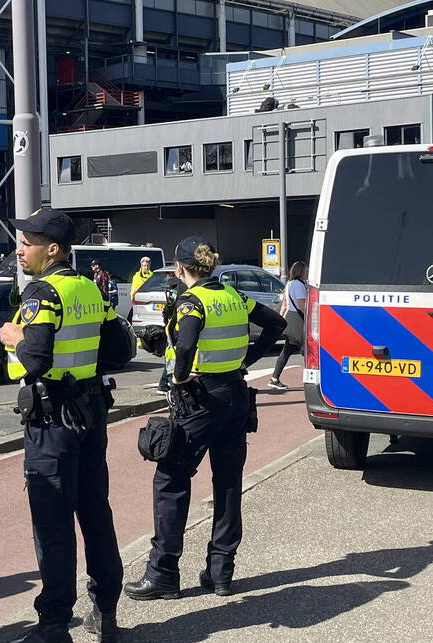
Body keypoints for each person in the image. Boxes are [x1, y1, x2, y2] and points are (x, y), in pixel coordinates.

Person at [0, 208, 133, 643]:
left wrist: (14, 337)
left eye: (28, 242)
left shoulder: (44, 292)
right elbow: (118, 351)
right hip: (90, 414)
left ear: (51, 249)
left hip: (52, 420)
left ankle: (54, 625)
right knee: (96, 513)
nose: (20, 249)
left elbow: (35, 360)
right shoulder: (89, 288)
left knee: (53, 523)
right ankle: (105, 612)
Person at [125, 236, 285, 601]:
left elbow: (185, 344)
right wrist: (248, 359)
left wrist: (180, 376)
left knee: (171, 480)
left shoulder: (191, 301)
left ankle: (162, 573)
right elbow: (275, 323)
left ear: (181, 268)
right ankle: (221, 572)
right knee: (227, 482)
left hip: (200, 399)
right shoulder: (234, 296)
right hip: (235, 395)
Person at [269, 261, 309, 391]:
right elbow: (302, 305)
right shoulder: (299, 285)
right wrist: (310, 319)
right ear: (301, 271)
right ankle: (313, 378)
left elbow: (285, 304)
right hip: (298, 320)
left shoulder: (289, 284)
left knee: (288, 350)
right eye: (305, 271)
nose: (307, 272)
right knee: (307, 350)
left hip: (290, 318)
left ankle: (275, 378)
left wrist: (281, 320)